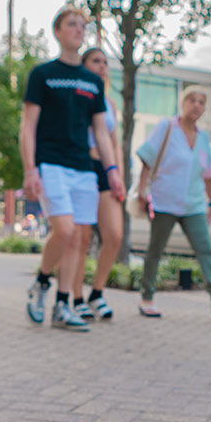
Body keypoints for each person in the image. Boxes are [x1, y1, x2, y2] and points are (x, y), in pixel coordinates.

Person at [21, 7, 127, 331]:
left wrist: (111, 170)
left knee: (78, 239)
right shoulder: (42, 74)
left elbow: (101, 132)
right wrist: (29, 170)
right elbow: (28, 126)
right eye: (72, 24)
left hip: (84, 168)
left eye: (83, 25)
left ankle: (63, 305)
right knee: (64, 231)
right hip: (51, 163)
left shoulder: (92, 82)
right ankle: (42, 281)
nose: (79, 30)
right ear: (57, 31)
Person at [134, 89, 211, 322]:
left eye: (201, 102)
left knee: (205, 251)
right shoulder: (167, 128)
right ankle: (147, 298)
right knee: (155, 251)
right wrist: (142, 190)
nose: (196, 105)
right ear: (183, 103)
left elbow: (208, 174)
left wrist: (210, 202)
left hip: (193, 204)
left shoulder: (203, 138)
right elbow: (147, 158)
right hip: (164, 200)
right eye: (192, 100)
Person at [73, 47, 125, 321]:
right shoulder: (76, 95)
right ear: (83, 65)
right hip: (81, 168)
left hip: (107, 171)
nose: (102, 66)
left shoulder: (110, 103)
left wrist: (119, 177)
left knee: (114, 235)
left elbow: (115, 143)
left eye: (105, 62)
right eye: (96, 61)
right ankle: (76, 297)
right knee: (80, 239)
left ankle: (97, 292)